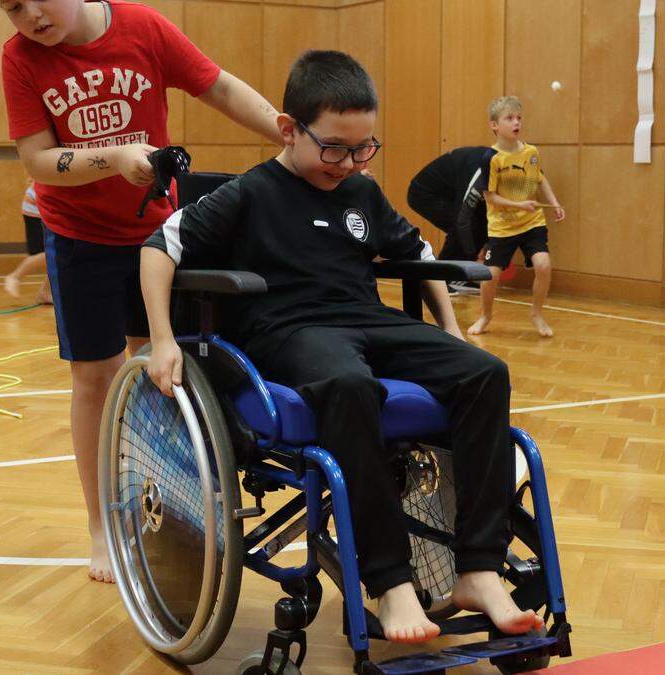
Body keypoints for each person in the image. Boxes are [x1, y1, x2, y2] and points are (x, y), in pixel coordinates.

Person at [141, 50, 543, 645]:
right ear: (288, 129)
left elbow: (417, 256)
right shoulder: (250, 195)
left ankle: (478, 569)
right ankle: (390, 582)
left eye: (363, 148)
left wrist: (452, 331)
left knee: (483, 371)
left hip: (365, 319)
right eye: (334, 148)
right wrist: (162, 339)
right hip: (287, 328)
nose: (349, 162)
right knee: (350, 386)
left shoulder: (361, 191)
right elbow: (158, 247)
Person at [0, 0, 282, 583]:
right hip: (79, 240)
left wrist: (287, 131)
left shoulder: (142, 26)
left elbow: (219, 87)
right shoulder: (20, 59)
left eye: (33, 1)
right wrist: (115, 156)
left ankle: (172, 503)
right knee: (94, 378)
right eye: (11, 9)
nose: (28, 17)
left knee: (161, 365)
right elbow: (39, 160)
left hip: (158, 234)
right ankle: (102, 526)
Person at [468, 96, 565, 337]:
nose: (516, 122)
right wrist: (519, 204)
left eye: (519, 118)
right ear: (494, 126)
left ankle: (536, 314)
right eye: (509, 118)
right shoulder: (491, 158)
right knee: (490, 275)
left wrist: (554, 203)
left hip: (532, 223)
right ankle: (485, 316)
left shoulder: (531, 152)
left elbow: (540, 179)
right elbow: (489, 197)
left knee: (543, 265)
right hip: (502, 227)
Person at [406, 146, 496, 294]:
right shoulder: (482, 169)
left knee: (480, 222)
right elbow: (463, 221)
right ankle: (440, 280)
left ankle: (461, 277)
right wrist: (473, 256)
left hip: (450, 194)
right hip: (423, 192)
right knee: (462, 225)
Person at [3, 178, 53, 305]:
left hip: (48, 208)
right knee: (48, 254)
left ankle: (46, 292)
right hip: (38, 210)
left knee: (59, 256)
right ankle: (15, 277)